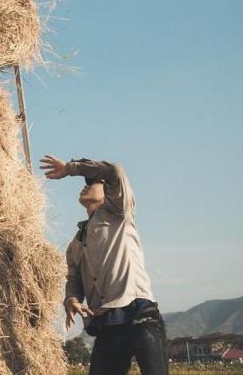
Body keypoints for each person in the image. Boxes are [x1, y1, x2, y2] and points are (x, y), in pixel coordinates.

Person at [40, 155, 168, 375]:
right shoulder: (76, 242)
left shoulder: (119, 212)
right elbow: (74, 279)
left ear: (107, 191)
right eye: (86, 182)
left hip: (139, 314)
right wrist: (71, 299)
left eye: (92, 182)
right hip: (107, 323)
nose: (86, 185)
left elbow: (115, 171)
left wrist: (72, 169)